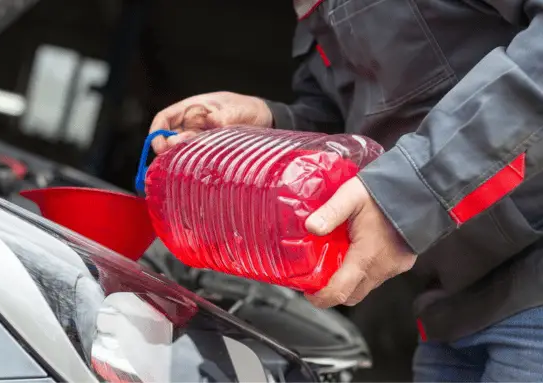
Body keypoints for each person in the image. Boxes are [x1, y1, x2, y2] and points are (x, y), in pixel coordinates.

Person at [149, 1, 543, 381]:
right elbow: (359, 139)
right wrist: (269, 121)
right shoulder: (316, 15)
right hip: (446, 308)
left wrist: (408, 193)